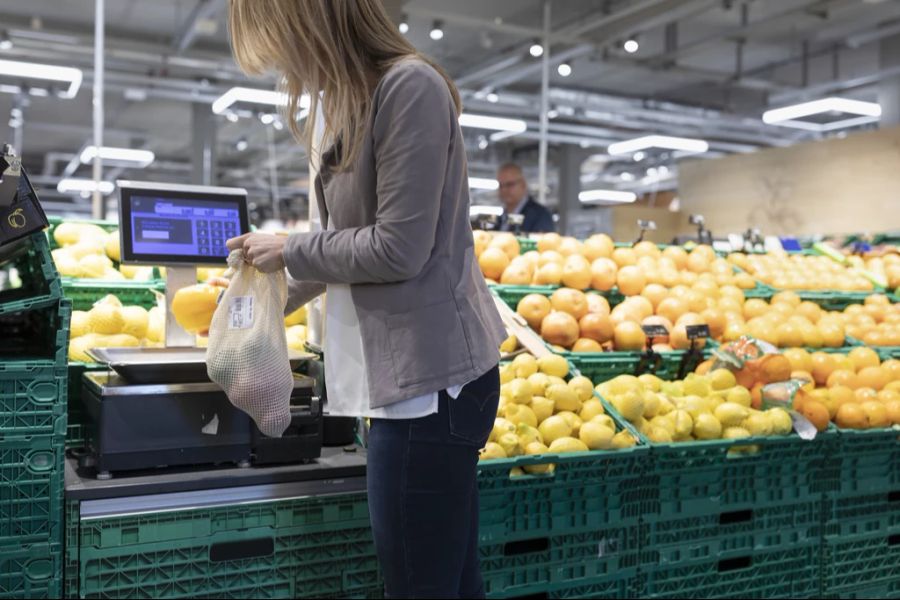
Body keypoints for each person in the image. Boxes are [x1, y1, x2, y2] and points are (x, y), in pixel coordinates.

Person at [224, 1, 506, 598]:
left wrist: (291, 251)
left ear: (312, 24)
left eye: (281, 45)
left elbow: (398, 248)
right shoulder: (349, 101)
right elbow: (343, 252)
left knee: (418, 581)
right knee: (448, 578)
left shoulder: (409, 89)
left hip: (430, 386)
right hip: (403, 380)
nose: (284, 66)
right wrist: (258, 306)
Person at [495, 163, 555, 233]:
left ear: (523, 184)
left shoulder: (540, 215)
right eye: (501, 185)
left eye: (509, 184)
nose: (504, 190)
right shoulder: (501, 218)